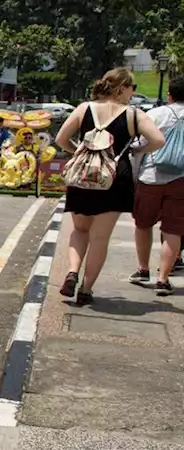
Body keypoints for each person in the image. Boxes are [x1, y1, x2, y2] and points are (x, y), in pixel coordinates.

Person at [55, 68, 165, 305]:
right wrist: (136, 150)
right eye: (132, 87)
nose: (133, 93)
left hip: (83, 175)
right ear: (122, 88)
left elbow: (60, 139)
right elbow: (158, 140)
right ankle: (85, 289)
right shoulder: (133, 115)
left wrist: (82, 154)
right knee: (100, 238)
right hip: (115, 177)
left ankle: (72, 271)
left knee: (80, 229)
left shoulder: (84, 108)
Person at [130, 75, 184, 296]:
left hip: (151, 176)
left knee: (143, 223)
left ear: (169, 94)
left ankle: (143, 270)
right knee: (173, 229)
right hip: (181, 180)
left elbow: (138, 145)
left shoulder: (155, 114)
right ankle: (163, 279)